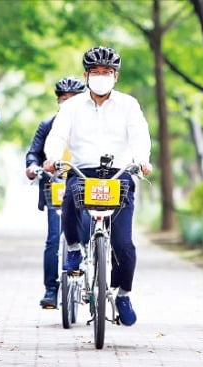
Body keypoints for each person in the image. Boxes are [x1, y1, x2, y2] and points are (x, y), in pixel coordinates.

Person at [43, 46, 152, 326]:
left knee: (123, 243)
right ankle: (75, 249)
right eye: (96, 72)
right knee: (68, 197)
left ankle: (123, 294)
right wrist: (53, 159)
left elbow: (139, 135)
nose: (101, 76)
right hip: (84, 170)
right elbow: (58, 135)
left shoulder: (129, 105)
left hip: (119, 174)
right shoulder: (71, 106)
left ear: (116, 76)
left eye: (107, 72)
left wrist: (142, 160)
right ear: (86, 75)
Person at [25, 76, 86, 309]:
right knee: (53, 239)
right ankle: (51, 289)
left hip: (85, 185)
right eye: (63, 98)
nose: (67, 102)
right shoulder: (48, 125)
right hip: (56, 185)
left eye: (72, 98)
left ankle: (91, 274)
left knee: (89, 232)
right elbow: (34, 153)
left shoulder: (92, 126)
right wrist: (32, 166)